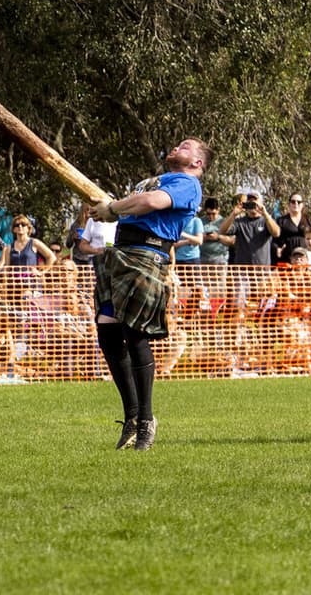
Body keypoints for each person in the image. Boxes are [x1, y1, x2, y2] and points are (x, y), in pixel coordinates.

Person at [87, 137, 209, 450]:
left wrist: (112, 208)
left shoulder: (187, 183)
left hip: (146, 255)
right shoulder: (156, 179)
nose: (177, 146)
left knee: (135, 333)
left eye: (186, 146)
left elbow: (151, 203)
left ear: (198, 163)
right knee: (107, 328)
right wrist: (109, 217)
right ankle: (130, 417)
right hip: (119, 251)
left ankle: (146, 420)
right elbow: (130, 211)